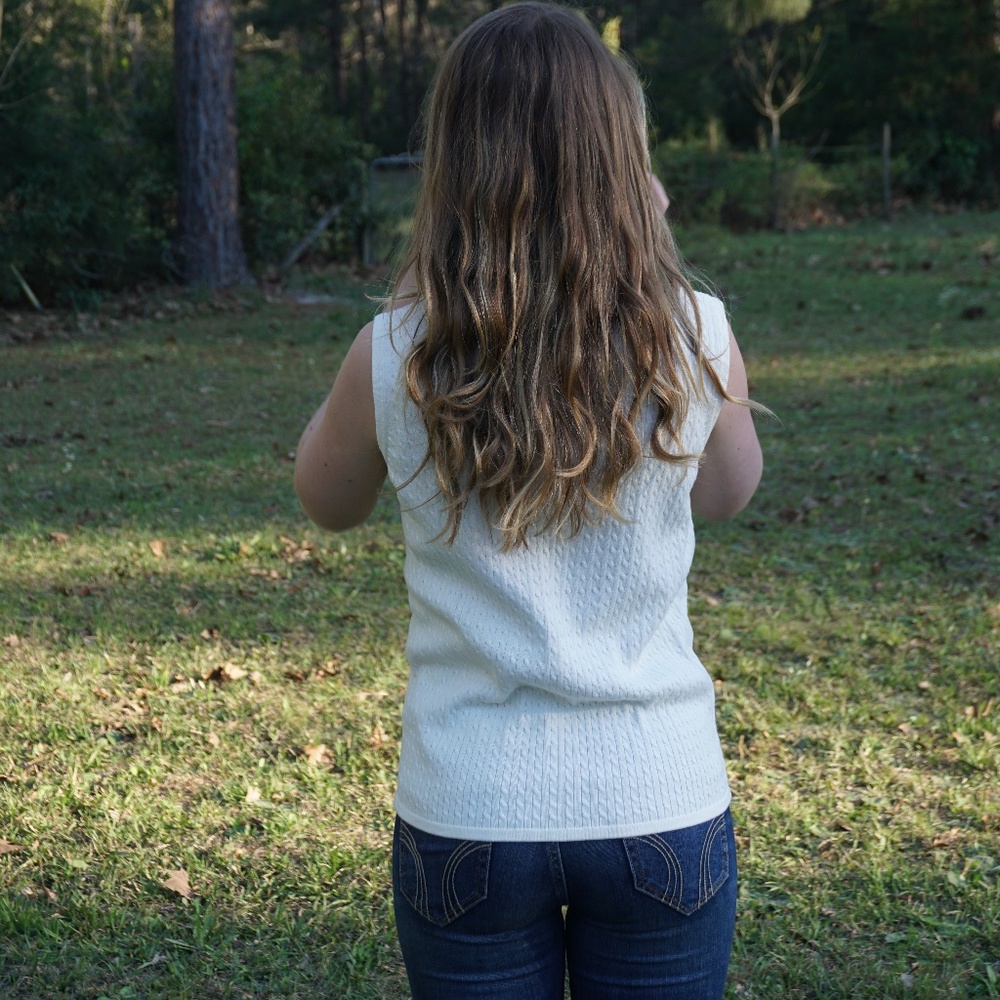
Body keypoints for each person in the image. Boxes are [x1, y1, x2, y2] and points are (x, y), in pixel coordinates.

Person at [294, 3, 763, 997]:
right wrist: (658, 257)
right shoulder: (695, 332)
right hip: (658, 796)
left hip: (468, 809)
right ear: (622, 161)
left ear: (452, 164)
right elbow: (730, 491)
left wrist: (417, 302)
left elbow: (324, 498)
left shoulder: (395, 350)